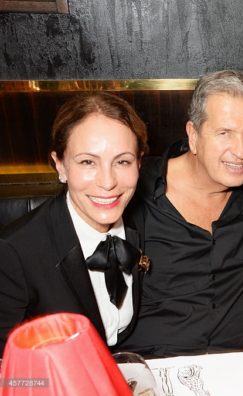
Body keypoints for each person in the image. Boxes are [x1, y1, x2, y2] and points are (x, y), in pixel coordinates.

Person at [120, 70, 243, 356]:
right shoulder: (133, 190)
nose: (240, 151)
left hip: (235, 372)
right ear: (194, 135)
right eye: (224, 133)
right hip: (150, 370)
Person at [0, 92, 149, 354]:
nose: (107, 182)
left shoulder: (145, 219)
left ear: (139, 163)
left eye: (122, 161)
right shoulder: (15, 253)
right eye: (88, 162)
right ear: (60, 165)